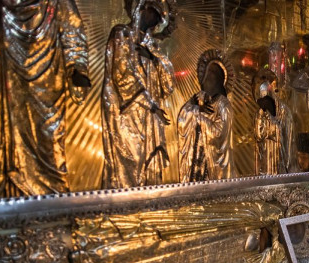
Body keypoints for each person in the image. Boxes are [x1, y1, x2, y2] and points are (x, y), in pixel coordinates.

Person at [0, 0, 90, 199]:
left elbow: (70, 24)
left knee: (44, 142)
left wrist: (77, 65)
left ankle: (48, 201)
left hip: (40, 79)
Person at [101, 0, 175, 189]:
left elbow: (168, 85)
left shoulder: (153, 47)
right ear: (141, 8)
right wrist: (151, 105)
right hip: (127, 112)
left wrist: (153, 58)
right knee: (129, 160)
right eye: (154, 13)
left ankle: (148, 203)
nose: (156, 21)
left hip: (149, 117)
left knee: (149, 162)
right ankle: (125, 203)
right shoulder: (122, 34)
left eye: (159, 18)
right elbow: (122, 74)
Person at [178, 49, 235, 182]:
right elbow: (183, 118)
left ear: (220, 79)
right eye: (206, 73)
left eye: (212, 73)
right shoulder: (200, 98)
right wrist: (195, 108)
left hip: (213, 166)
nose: (207, 78)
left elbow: (219, 134)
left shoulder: (223, 105)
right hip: (197, 161)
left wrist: (199, 117)